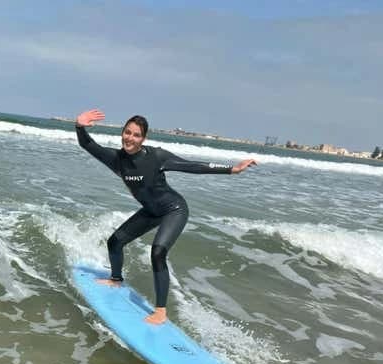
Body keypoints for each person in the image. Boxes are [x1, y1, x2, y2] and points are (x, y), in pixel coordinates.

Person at [75, 109, 257, 324]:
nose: (130, 138)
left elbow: (192, 166)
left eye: (136, 135)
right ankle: (116, 279)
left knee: (158, 252)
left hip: (174, 210)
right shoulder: (116, 159)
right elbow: (88, 145)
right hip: (151, 211)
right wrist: (79, 126)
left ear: (143, 138)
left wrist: (232, 169)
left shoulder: (156, 157)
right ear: (122, 133)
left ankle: (161, 310)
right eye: (127, 132)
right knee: (115, 242)